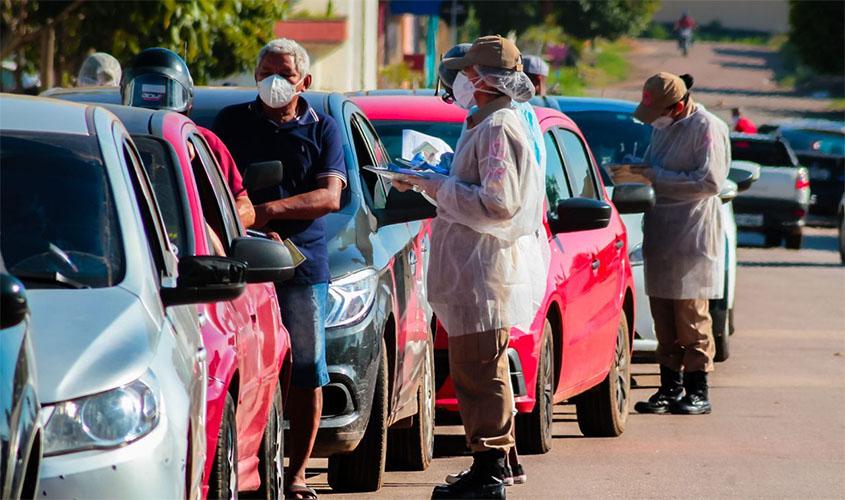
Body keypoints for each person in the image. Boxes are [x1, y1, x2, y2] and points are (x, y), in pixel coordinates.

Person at [394, 35, 549, 499]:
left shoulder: (498, 127)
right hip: (473, 268)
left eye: (464, 73)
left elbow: (498, 203)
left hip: (483, 270)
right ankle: (501, 461)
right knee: (483, 368)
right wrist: (433, 180)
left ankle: (490, 469)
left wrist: (438, 185)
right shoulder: (484, 123)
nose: (458, 81)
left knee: (479, 371)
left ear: (482, 78)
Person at [212, 38, 347, 500]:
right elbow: (213, 187)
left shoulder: (323, 128)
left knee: (308, 370)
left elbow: (331, 197)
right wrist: (246, 225)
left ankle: (296, 474)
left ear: (304, 81)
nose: (273, 82)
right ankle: (249, 465)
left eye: (284, 75)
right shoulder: (231, 123)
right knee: (246, 368)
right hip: (240, 265)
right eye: (265, 72)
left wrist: (267, 212)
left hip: (303, 268)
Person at [625, 72, 730, 416]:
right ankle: (670, 387)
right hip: (661, 230)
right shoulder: (662, 126)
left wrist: (654, 177)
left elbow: (709, 181)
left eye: (660, 113)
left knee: (691, 318)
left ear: (679, 105)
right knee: (663, 318)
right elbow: (657, 168)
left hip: (693, 234)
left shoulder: (706, 127)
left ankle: (698, 389)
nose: (655, 121)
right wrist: (636, 173)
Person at [121, 47, 255, 228]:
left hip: (195, 249)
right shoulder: (112, 141)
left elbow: (245, 207)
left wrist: (217, 231)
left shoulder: (205, 141)